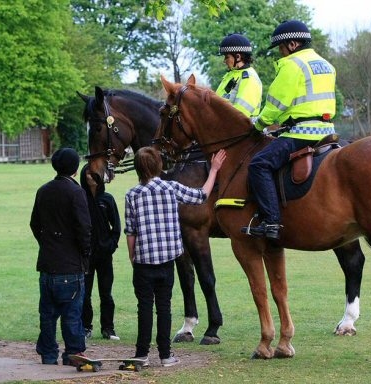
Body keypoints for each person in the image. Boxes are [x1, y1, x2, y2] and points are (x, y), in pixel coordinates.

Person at [124, 147, 226, 367]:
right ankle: (165, 355)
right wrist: (214, 170)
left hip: (143, 262)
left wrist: (132, 256)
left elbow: (130, 231)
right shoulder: (171, 188)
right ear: (159, 166)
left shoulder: (131, 195)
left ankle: (141, 354)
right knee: (164, 308)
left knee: (144, 308)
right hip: (167, 261)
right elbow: (202, 195)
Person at [243, 20, 337, 240]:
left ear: (293, 44)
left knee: (259, 164)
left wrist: (257, 126)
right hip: (327, 131)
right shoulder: (326, 65)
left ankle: (271, 223)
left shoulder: (292, 64)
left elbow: (275, 105)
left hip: (302, 133)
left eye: (281, 47)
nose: (281, 53)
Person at [30, 148, 91, 365]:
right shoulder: (76, 193)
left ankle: (48, 354)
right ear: (75, 169)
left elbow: (35, 224)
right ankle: (73, 353)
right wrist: (85, 254)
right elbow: (84, 229)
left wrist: (48, 243)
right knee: (72, 314)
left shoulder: (43, 190)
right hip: (70, 265)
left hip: (47, 264)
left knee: (47, 315)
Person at [80, 164, 121, 341]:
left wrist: (111, 244)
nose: (89, 176)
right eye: (87, 173)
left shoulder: (107, 199)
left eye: (92, 173)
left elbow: (116, 226)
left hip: (104, 254)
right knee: (85, 294)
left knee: (106, 293)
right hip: (86, 255)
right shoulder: (80, 198)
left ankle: (108, 328)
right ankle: (85, 327)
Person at [215, 33, 262, 118]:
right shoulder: (231, 75)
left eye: (226, 57)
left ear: (238, 57)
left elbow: (241, 114)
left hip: (239, 129)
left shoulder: (249, 78)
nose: (224, 61)